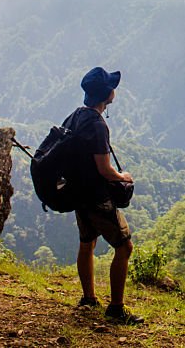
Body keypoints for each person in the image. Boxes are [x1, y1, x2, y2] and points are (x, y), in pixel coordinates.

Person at [63, 66, 143, 325]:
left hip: (77, 193)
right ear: (106, 95)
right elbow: (104, 169)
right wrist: (124, 177)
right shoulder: (97, 126)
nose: (114, 90)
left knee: (87, 243)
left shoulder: (76, 116)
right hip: (97, 196)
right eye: (112, 87)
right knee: (124, 246)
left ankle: (89, 299)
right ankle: (116, 309)